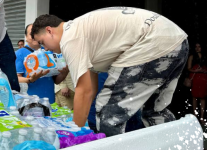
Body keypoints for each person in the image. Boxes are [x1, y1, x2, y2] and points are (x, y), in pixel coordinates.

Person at [31, 7, 188, 137]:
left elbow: (83, 91)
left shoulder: (69, 38)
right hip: (176, 41)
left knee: (108, 114)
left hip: (152, 42)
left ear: (49, 30)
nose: (44, 48)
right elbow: (90, 89)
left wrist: (75, 135)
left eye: (42, 42)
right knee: (153, 110)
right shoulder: (82, 30)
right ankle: (175, 142)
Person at [15, 24, 69, 103]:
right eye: (31, 33)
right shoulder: (20, 53)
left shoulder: (48, 50)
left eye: (37, 32)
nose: (34, 36)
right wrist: (30, 80)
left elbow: (56, 80)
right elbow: (16, 78)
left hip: (49, 100)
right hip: (31, 101)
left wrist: (64, 74)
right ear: (26, 37)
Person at [187, 43, 207, 124]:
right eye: (196, 47)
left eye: (199, 46)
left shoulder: (206, 56)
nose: (197, 48)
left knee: (203, 97)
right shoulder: (192, 56)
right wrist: (195, 71)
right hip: (195, 78)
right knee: (194, 97)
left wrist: (205, 71)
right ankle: (195, 118)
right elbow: (189, 68)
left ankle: (202, 118)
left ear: (202, 47)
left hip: (204, 78)